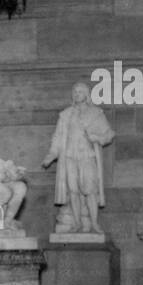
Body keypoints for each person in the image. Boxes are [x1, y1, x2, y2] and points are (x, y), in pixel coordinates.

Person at [43, 81, 116, 233]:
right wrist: (51, 154)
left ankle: (94, 223)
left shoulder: (95, 113)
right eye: (75, 92)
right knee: (73, 191)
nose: (77, 94)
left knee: (90, 189)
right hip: (69, 156)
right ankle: (77, 223)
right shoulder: (66, 114)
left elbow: (109, 134)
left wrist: (97, 138)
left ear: (86, 95)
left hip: (87, 155)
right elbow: (57, 137)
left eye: (80, 92)